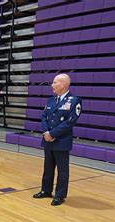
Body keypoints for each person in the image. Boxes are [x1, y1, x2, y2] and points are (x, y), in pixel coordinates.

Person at [33, 73, 82, 206]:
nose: (52, 85)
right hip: (48, 138)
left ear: (63, 84)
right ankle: (46, 190)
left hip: (61, 140)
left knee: (62, 169)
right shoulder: (51, 100)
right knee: (47, 167)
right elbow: (44, 117)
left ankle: (60, 195)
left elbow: (69, 122)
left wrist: (53, 133)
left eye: (55, 82)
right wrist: (46, 132)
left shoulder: (74, 101)